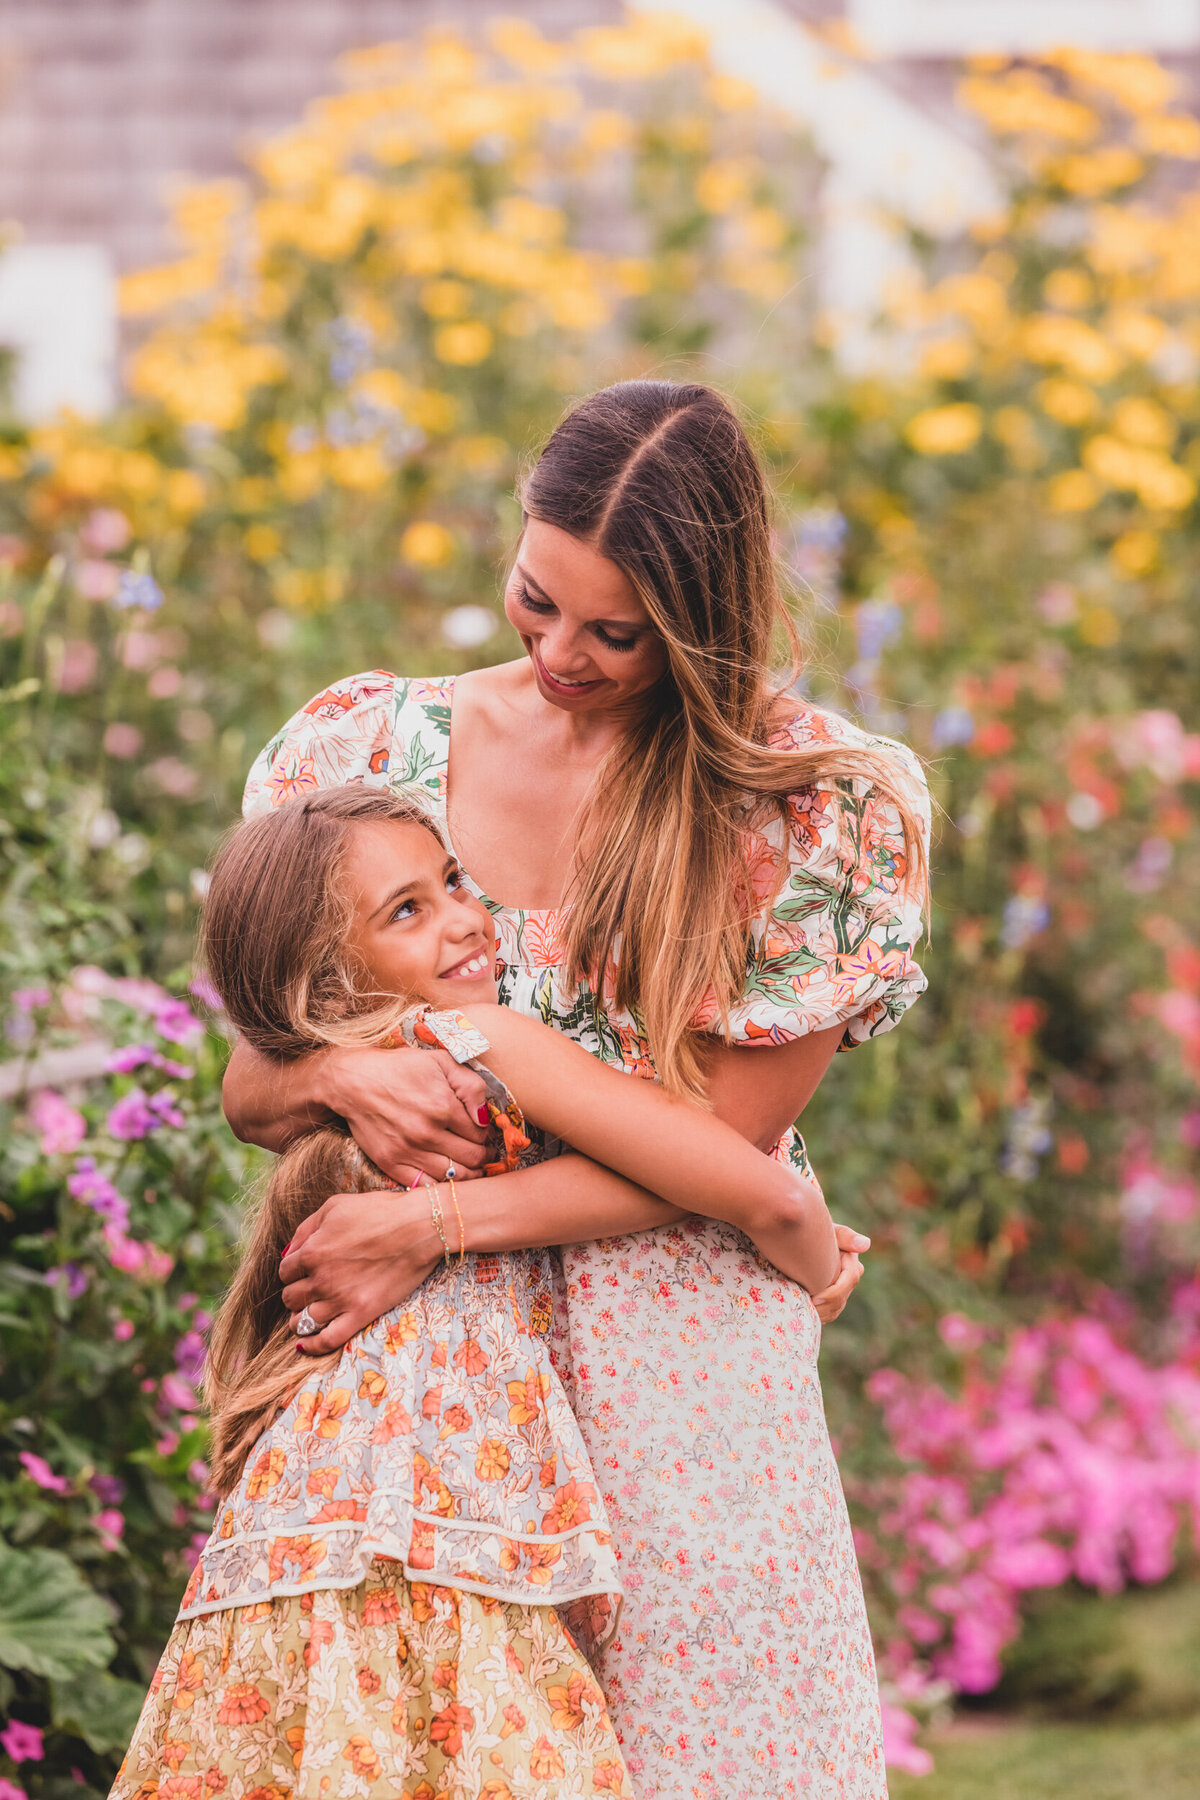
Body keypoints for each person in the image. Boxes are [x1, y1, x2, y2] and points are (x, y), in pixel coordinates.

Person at [225, 380, 931, 1799]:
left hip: (676, 1363)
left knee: (713, 1753)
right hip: (418, 1369)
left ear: (704, 619)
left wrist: (431, 1224)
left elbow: (726, 1143)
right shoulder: (374, 753)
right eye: (536, 599)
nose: (561, 652)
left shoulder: (809, 802)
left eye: (618, 632)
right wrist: (351, 1077)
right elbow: (256, 1078)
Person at [112, 784, 842, 1800]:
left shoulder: (355, 1091)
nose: (461, 917)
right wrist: (821, 1268)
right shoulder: (479, 1043)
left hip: (313, 1511)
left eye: (453, 882)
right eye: (406, 911)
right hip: (456, 1511)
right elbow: (758, 1191)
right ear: (327, 975)